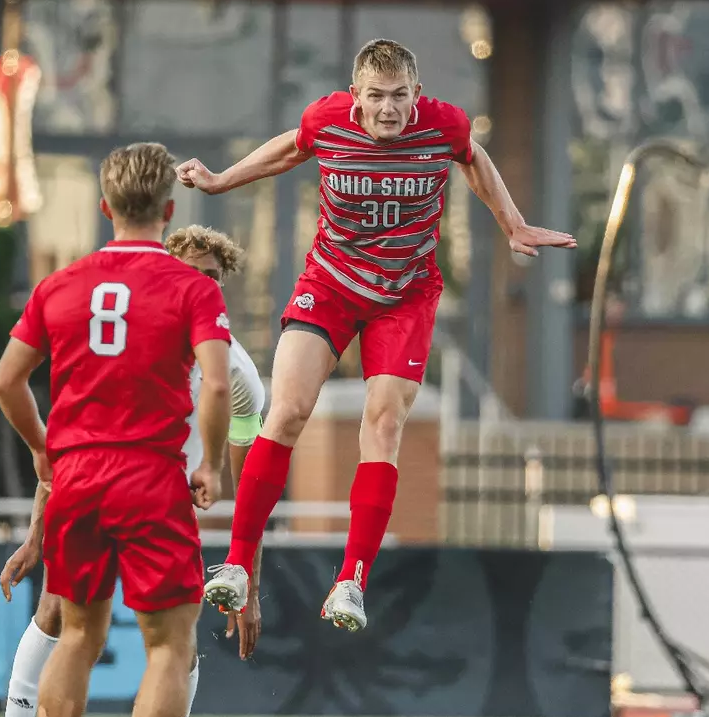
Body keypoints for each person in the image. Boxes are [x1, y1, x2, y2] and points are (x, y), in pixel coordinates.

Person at [177, 38, 576, 631]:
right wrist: (218, 182)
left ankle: (351, 580)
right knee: (285, 409)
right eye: (375, 97)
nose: (388, 110)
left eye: (399, 97)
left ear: (417, 95)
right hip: (331, 283)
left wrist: (511, 222)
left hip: (405, 294)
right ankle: (236, 563)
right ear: (355, 95)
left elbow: (474, 158)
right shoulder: (328, 120)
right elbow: (291, 147)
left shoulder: (444, 125)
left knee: (385, 421)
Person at [0, 143, 231, 717]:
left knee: (76, 635)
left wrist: (43, 447)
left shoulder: (60, 285)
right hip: (150, 476)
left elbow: (7, 381)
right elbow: (216, 384)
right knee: (168, 647)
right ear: (169, 210)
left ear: (104, 208)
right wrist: (211, 463)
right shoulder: (193, 287)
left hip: (76, 480)